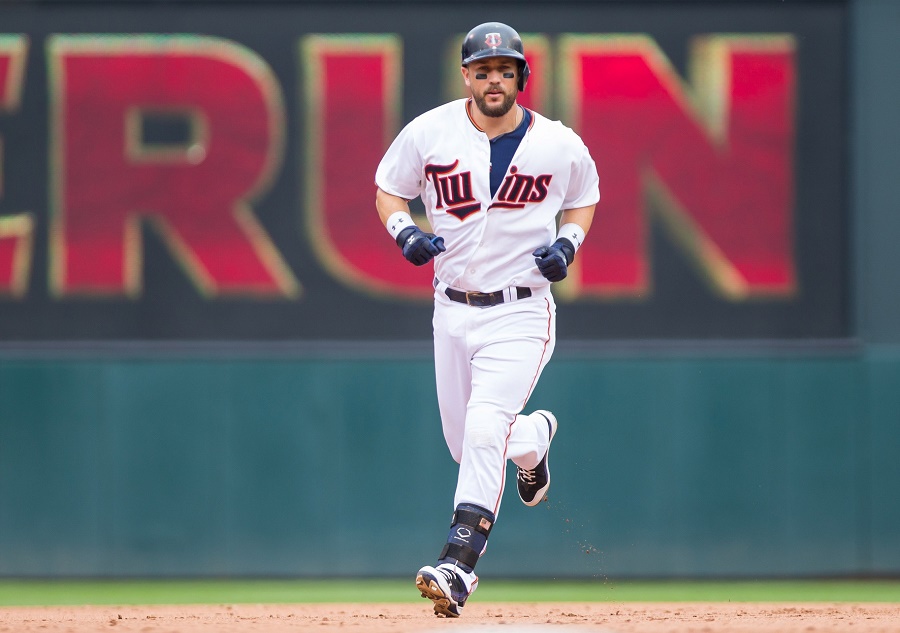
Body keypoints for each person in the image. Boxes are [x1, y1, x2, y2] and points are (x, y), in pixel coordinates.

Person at [374, 21, 599, 618]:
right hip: (452, 309)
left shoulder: (557, 143)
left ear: (522, 77)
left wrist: (569, 243)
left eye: (506, 70)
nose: (494, 79)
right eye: (484, 69)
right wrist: (404, 232)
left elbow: (585, 195)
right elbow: (388, 189)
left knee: (481, 428)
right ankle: (533, 441)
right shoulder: (430, 131)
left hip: (521, 310)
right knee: (465, 442)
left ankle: (458, 564)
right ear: (467, 76)